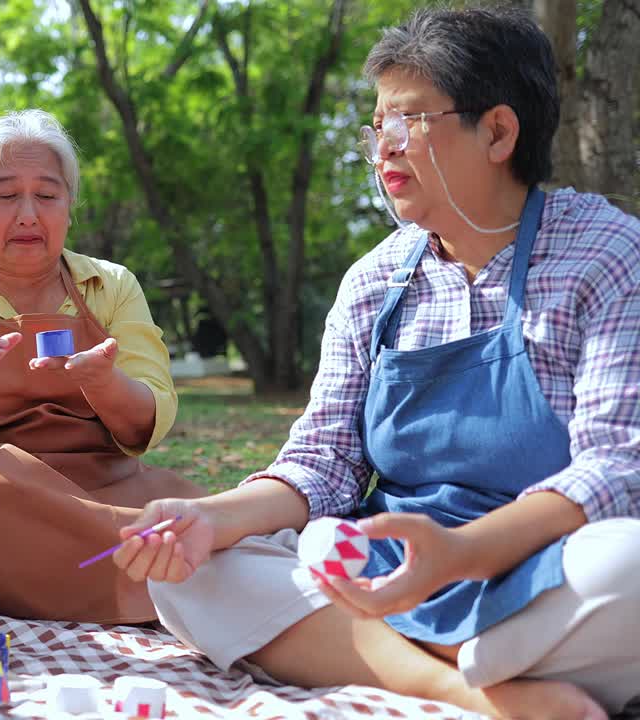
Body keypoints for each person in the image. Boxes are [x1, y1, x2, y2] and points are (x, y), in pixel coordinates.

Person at [114, 8, 640, 719]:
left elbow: (615, 468)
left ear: (498, 131)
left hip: (545, 567)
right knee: (194, 573)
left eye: (409, 121)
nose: (383, 150)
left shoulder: (608, 254)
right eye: (377, 127)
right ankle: (468, 690)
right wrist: (207, 517)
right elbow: (323, 464)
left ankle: (373, 653)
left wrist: (461, 555)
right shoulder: (377, 279)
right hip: (386, 570)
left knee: (628, 566)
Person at [0, 109, 205, 622]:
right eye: (6, 195)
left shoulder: (111, 286)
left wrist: (104, 381)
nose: (28, 214)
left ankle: (95, 582)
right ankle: (110, 592)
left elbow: (151, 418)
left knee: (203, 539)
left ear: (69, 207)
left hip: (107, 491)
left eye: (47, 195)